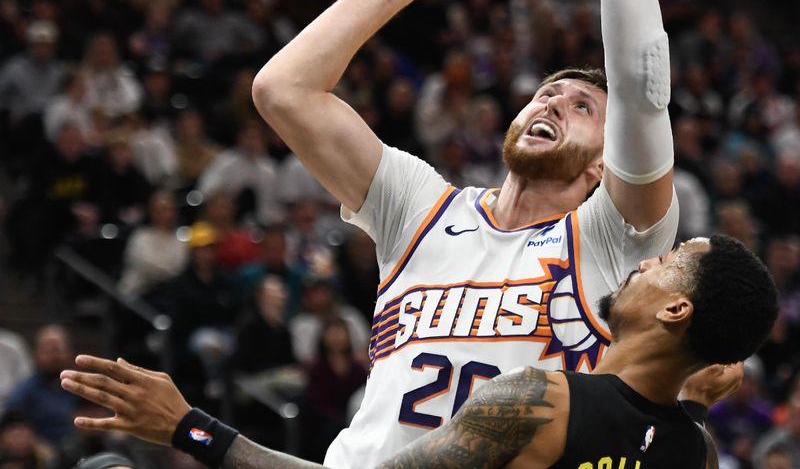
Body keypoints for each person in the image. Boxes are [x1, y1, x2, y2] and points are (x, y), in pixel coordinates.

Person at [247, 0, 681, 465]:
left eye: (583, 106)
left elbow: (643, 84)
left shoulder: (613, 240)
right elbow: (282, 90)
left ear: (607, 164)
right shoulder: (420, 205)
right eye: (547, 93)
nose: (553, 102)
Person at [59, 235, 779, 468]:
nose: (647, 263)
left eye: (670, 261)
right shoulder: (694, 451)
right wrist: (688, 391)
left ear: (677, 310)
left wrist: (190, 427)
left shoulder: (542, 399)